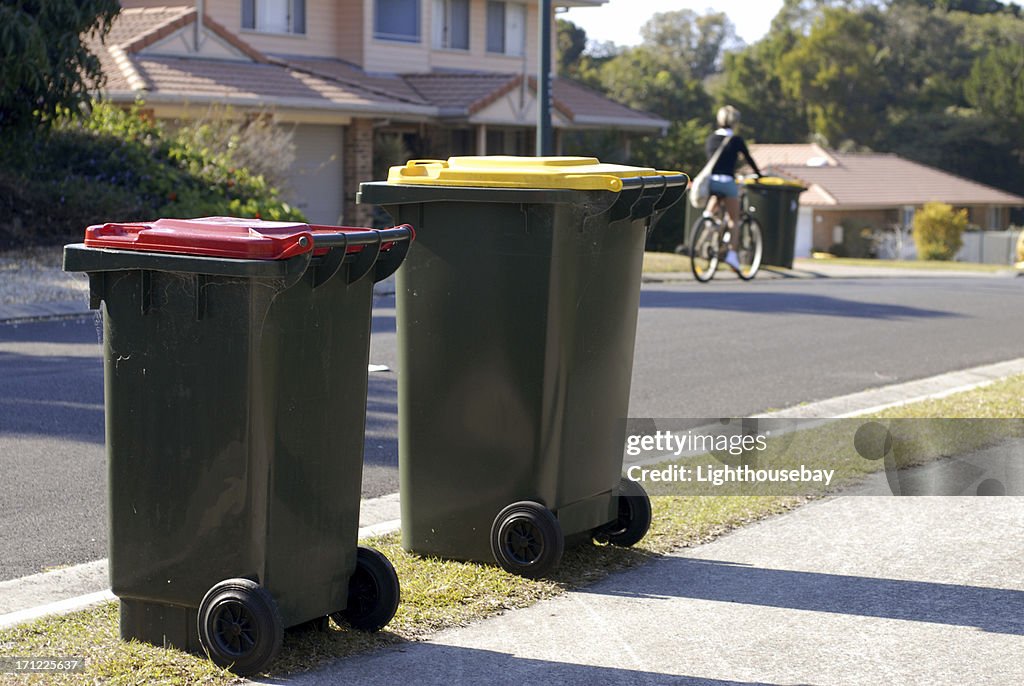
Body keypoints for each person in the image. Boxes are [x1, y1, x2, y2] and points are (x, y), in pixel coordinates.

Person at [704, 105, 761, 271]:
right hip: (727, 181)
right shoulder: (736, 140)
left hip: (711, 181)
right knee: (733, 220)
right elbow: (749, 159)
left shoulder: (711, 139)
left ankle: (708, 219)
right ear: (735, 122)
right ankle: (732, 255)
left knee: (715, 198)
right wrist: (759, 175)